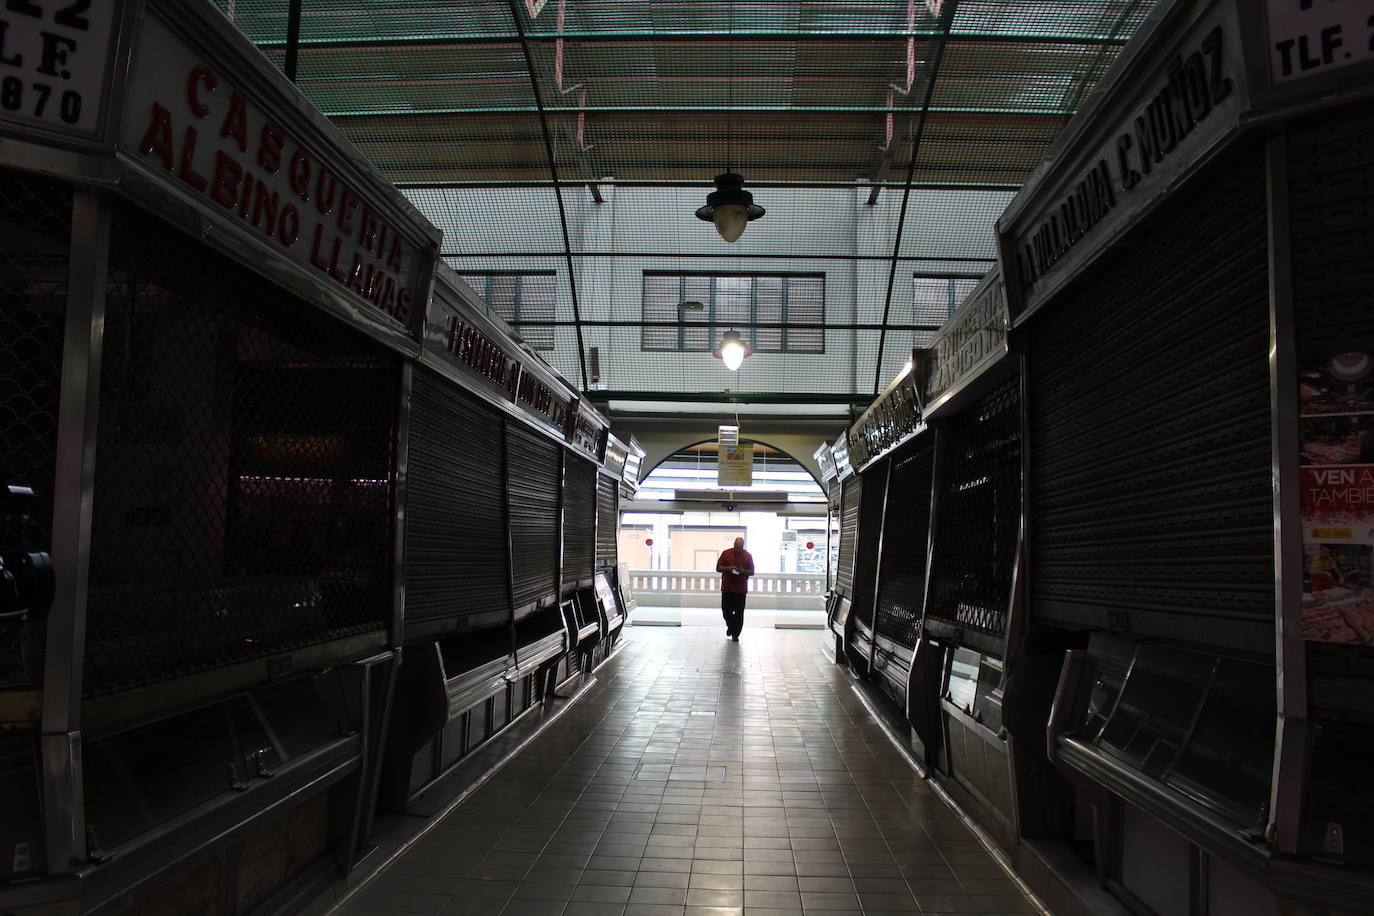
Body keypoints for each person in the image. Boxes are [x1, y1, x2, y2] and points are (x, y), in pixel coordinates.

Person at [716, 536, 754, 641]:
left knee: (739, 613)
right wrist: (729, 568)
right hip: (727, 588)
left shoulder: (748, 556)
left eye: (740, 548)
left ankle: (735, 634)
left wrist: (743, 571)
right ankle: (731, 627)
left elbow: (752, 571)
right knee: (726, 611)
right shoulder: (726, 553)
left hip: (740, 590)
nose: (738, 550)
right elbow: (718, 568)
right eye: (736, 547)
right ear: (734, 545)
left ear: (743, 546)